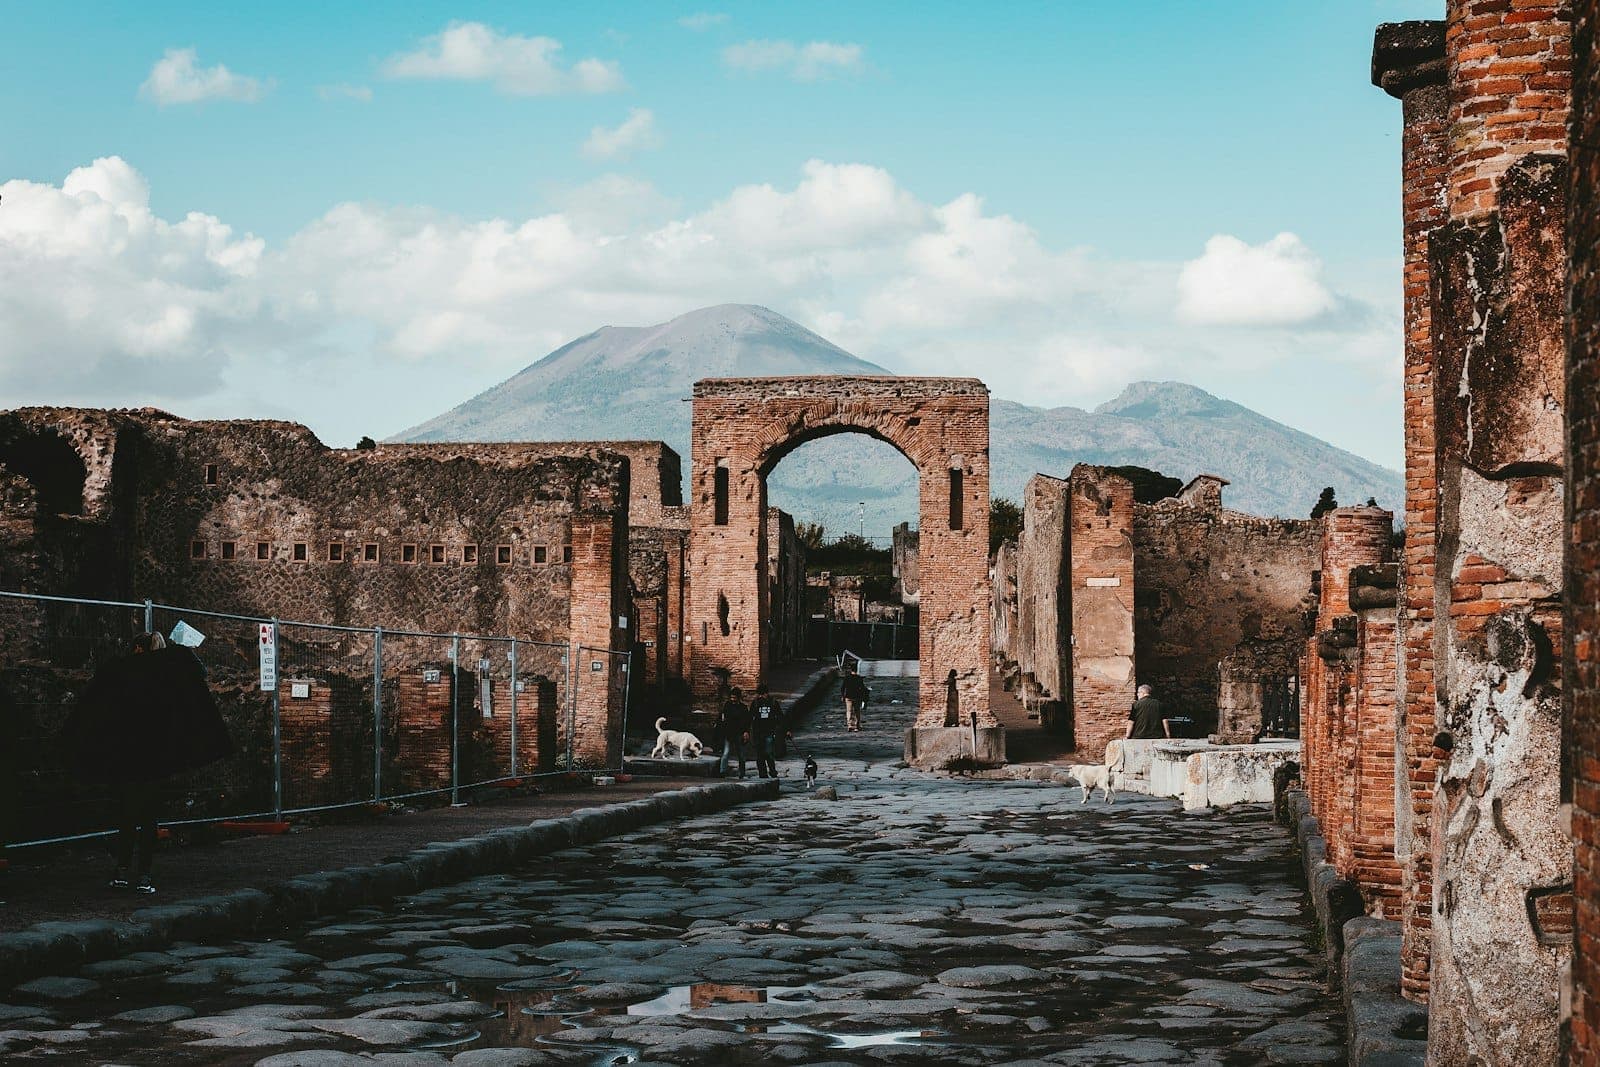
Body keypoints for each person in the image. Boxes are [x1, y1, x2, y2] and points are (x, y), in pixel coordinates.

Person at [69, 631, 231, 894]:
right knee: (148, 821)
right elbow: (196, 674)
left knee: (126, 817)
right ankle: (144, 875)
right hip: (156, 761)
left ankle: (122, 871)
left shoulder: (121, 675)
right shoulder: (167, 679)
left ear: (137, 649)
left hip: (127, 760)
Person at [748, 683, 790, 779]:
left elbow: (780, 717)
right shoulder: (755, 703)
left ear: (766, 693)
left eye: (762, 694)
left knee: (769, 753)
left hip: (769, 732)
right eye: (759, 694)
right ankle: (762, 774)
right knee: (759, 755)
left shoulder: (773, 703)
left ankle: (772, 771)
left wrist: (786, 729)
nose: (760, 696)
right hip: (757, 732)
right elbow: (749, 718)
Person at [716, 687, 752, 778]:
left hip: (739, 733)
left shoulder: (743, 708)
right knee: (726, 753)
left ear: (738, 697)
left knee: (741, 755)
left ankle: (742, 773)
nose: (733, 699)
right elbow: (723, 718)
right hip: (729, 733)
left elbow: (747, 721)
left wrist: (746, 732)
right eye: (731, 697)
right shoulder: (727, 706)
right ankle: (722, 771)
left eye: (734, 697)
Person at [841, 666, 869, 732]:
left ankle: (850, 725)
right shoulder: (859, 678)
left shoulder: (847, 678)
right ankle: (857, 726)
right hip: (857, 697)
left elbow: (842, 688)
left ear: (850, 670)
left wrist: (843, 696)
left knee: (849, 711)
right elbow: (862, 688)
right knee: (857, 711)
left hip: (848, 697)